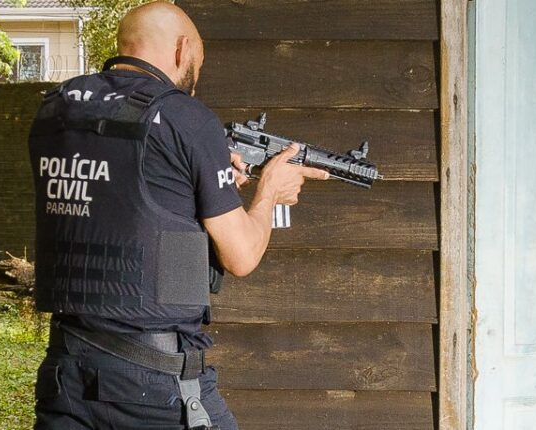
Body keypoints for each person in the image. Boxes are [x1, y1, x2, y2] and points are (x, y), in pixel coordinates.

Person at [28, 2, 328, 429]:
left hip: (66, 372)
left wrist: (202, 182)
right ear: (182, 48)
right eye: (198, 63)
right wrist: (269, 193)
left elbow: (121, 197)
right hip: (155, 381)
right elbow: (241, 256)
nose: (196, 77)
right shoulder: (186, 118)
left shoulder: (57, 109)